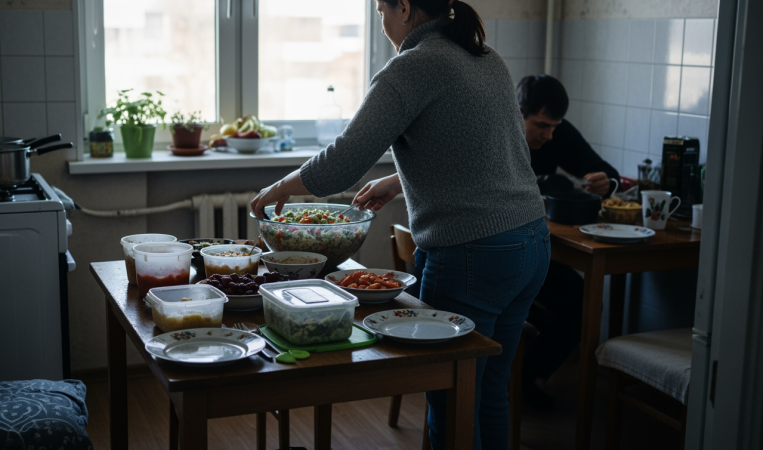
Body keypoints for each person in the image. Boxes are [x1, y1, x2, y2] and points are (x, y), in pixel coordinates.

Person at [251, 1, 549, 448]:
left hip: (473, 254)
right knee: (489, 392)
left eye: (381, 11)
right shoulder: (485, 57)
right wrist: (399, 179)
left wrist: (280, 188)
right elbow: (482, 151)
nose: (383, 22)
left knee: (450, 398)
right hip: (532, 242)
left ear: (405, 8)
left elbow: (343, 162)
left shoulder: (411, 67)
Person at [515, 74, 620, 410]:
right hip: (498, 252)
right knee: (568, 307)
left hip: (535, 249)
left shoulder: (555, 133)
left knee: (583, 304)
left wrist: (608, 183)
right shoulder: (494, 131)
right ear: (517, 112)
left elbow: (606, 171)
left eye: (554, 126)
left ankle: (522, 379)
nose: (549, 135)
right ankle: (514, 380)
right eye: (541, 125)